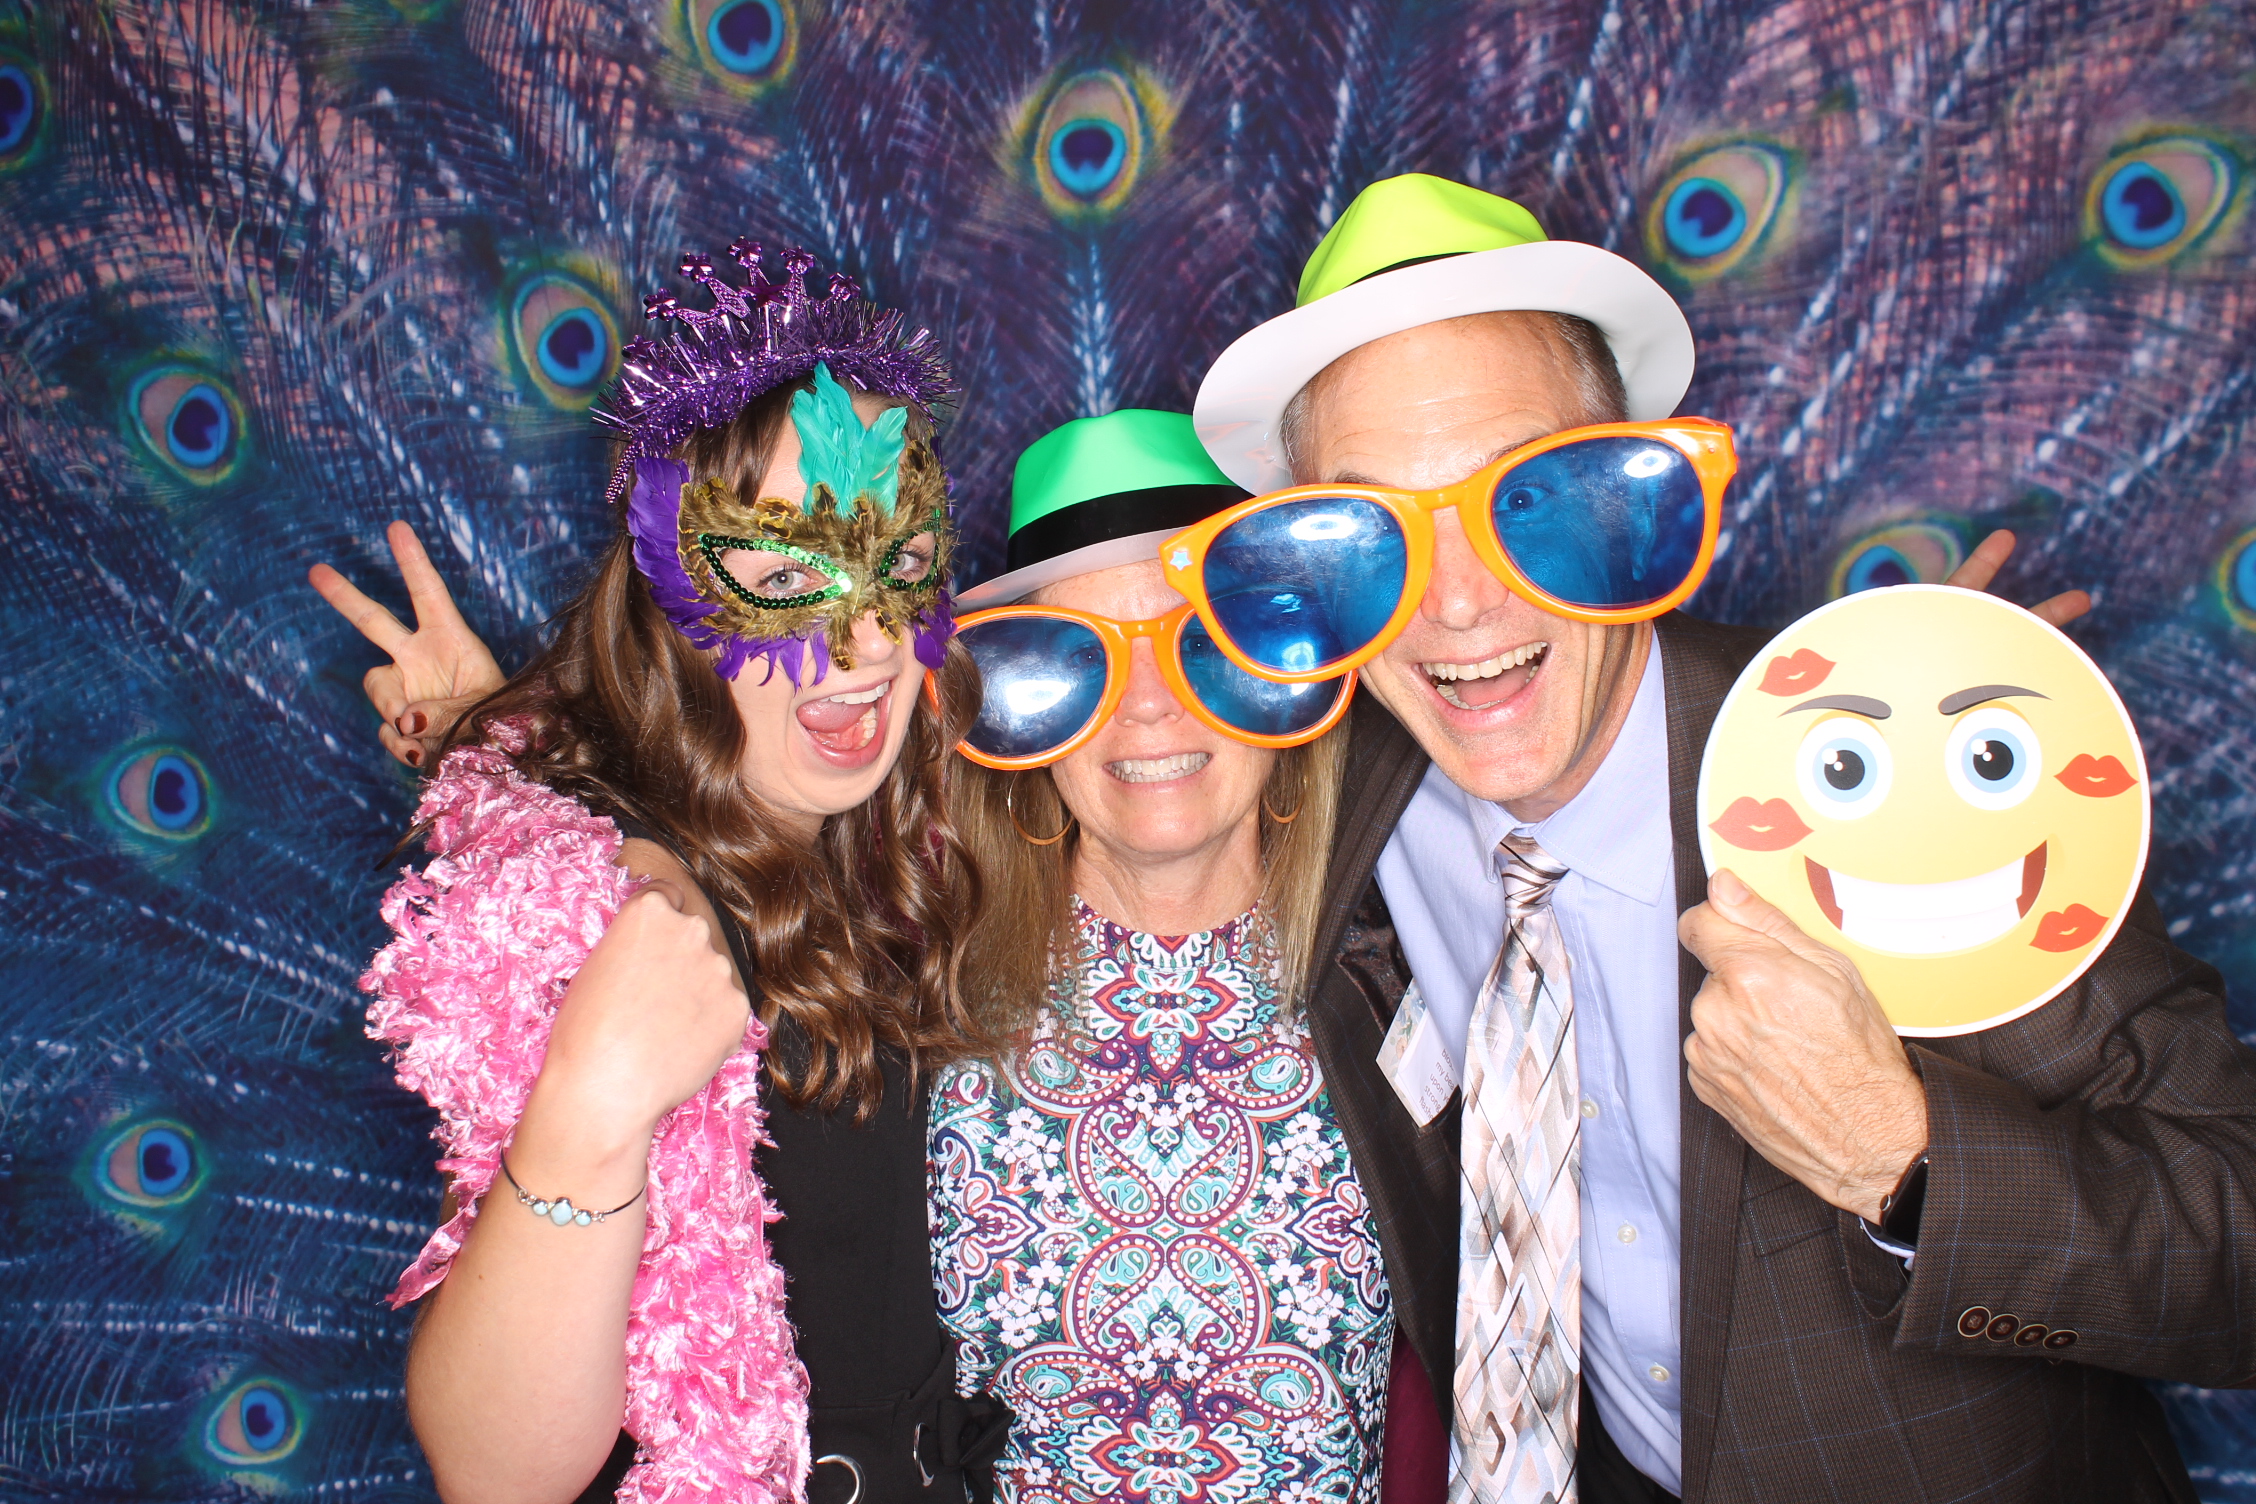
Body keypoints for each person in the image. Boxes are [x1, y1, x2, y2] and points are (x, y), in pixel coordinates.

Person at [1177, 172, 2256, 1502]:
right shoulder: (1351, 787)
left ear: (1630, 493)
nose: (1453, 605)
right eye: (1371, 529)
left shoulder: (1899, 784)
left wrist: (1907, 1159)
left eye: (1530, 497)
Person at [313, 243, 1004, 1504]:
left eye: (898, 564)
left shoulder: (882, 825)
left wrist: (491, 739)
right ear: (674, 600)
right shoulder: (620, 914)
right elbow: (495, 1473)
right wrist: (590, 1101)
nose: (863, 642)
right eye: (783, 575)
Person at [930, 409, 1392, 1501]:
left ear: (1277, 668)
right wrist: (490, 756)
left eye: (1197, 643)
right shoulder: (926, 986)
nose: (1146, 707)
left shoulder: (1407, 960)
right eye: (1076, 657)